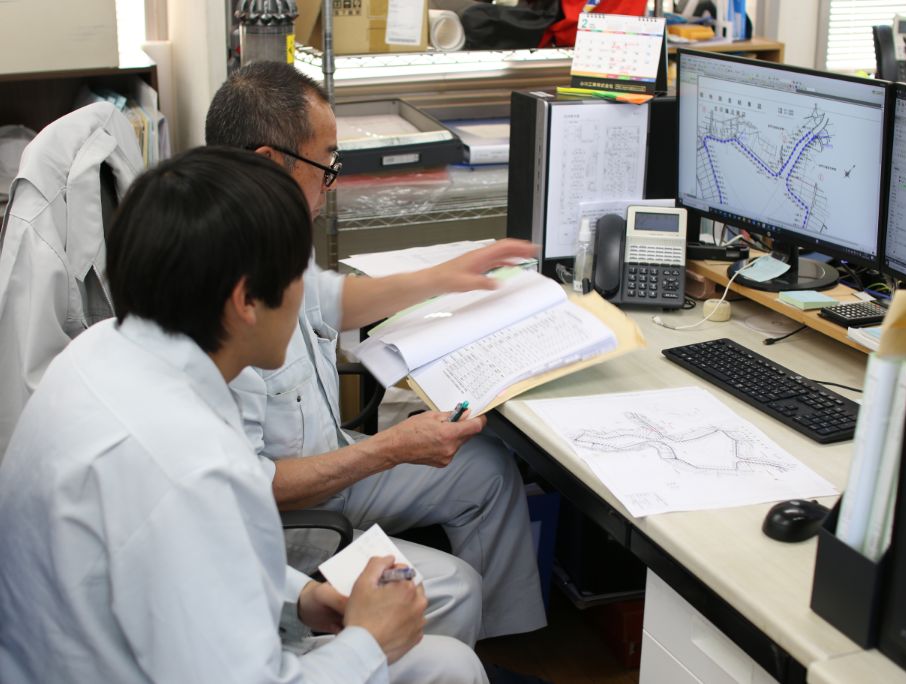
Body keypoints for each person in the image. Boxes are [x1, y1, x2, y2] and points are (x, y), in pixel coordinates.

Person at [0, 147, 487, 684]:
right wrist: (369, 643)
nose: (305, 296)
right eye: (298, 276)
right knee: (454, 668)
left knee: (446, 662)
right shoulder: (192, 471)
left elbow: (193, 569)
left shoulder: (96, 354)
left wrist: (302, 597)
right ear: (247, 300)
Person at [205, 61, 547, 640]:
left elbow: (326, 300)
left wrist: (445, 276)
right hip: (289, 525)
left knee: (487, 469)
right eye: (326, 167)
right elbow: (252, 487)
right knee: (454, 586)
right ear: (269, 163)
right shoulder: (222, 298)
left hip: (331, 462)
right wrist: (389, 449)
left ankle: (507, 646)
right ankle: (446, 663)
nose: (331, 184)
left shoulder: (268, 228)